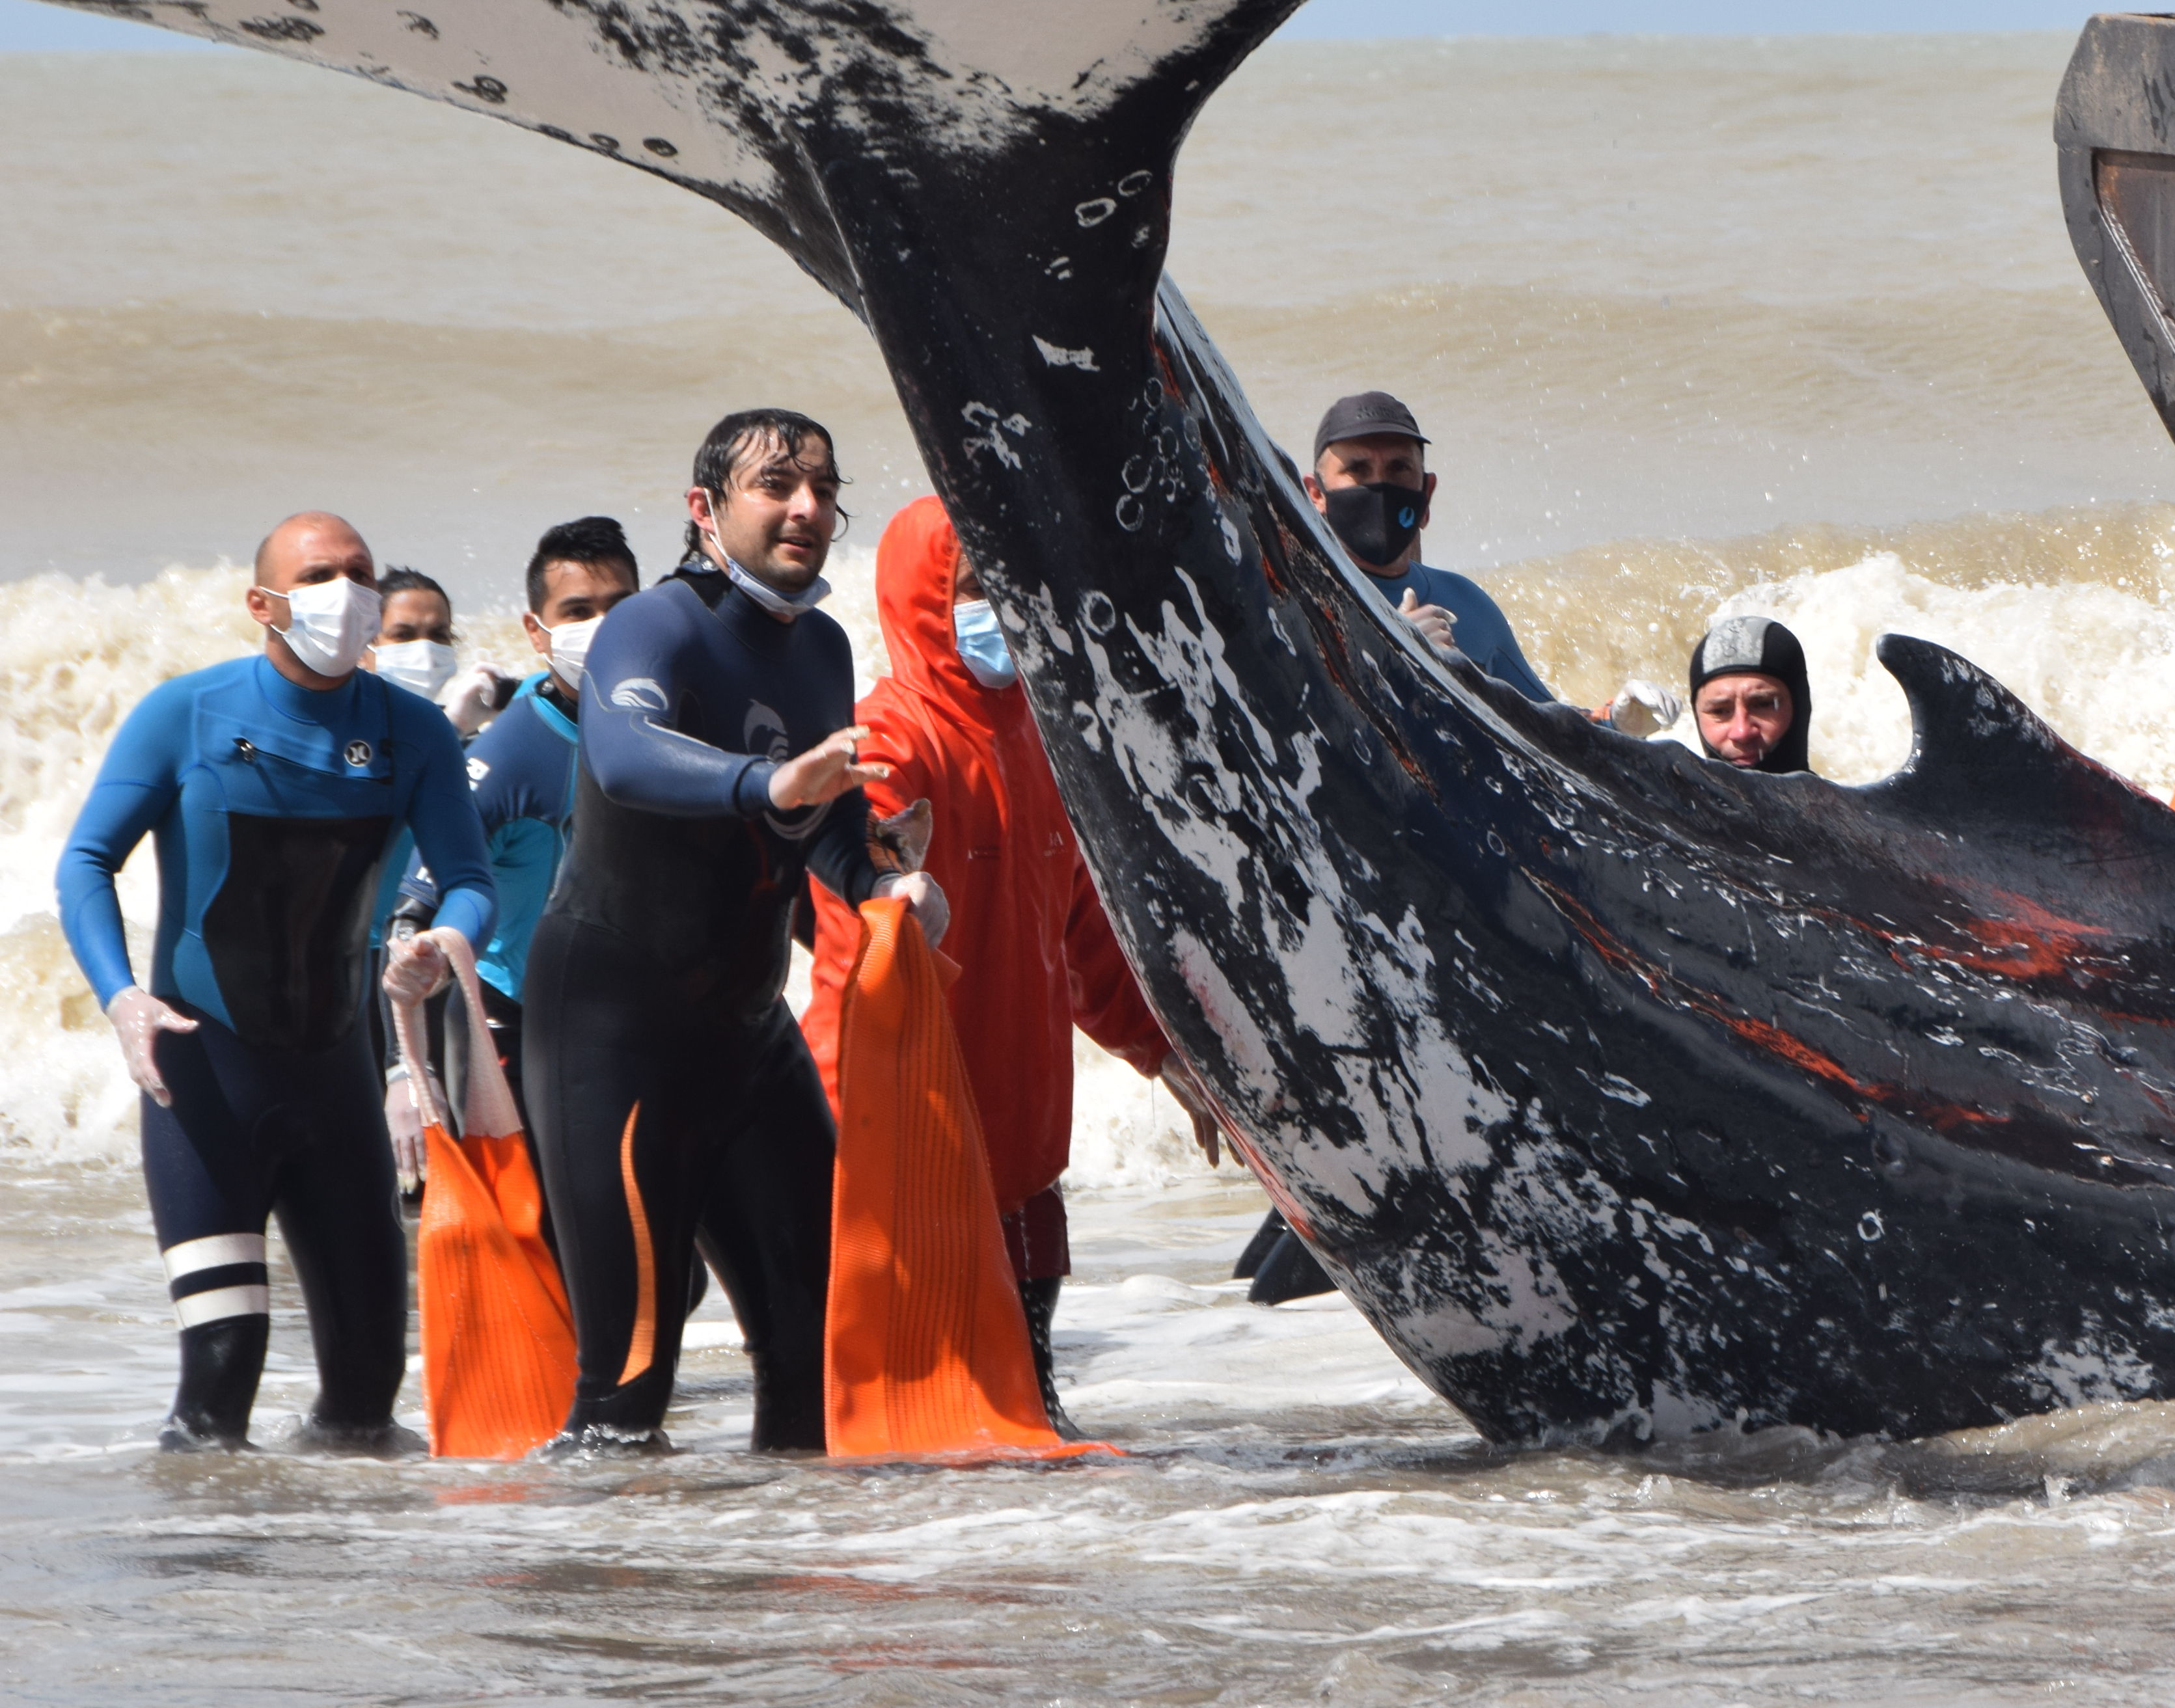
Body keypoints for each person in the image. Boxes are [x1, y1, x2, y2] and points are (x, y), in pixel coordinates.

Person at [519, 409, 944, 1453]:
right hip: (613, 1034)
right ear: (706, 509)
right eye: (776, 485)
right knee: (628, 1382)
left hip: (747, 1035)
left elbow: (825, 821)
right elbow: (622, 756)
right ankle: (586, 1606)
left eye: (824, 489)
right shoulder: (654, 626)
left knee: (814, 1345)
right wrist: (770, 781)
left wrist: (885, 876)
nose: (807, 508)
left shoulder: (824, 646)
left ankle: (760, 1596)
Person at [53, 511, 496, 1451]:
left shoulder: (414, 733)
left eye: (361, 573)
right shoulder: (189, 715)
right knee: (219, 1382)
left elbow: (468, 881)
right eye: (321, 574)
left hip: (333, 1083)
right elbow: (87, 862)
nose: (349, 593)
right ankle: (201, 1587)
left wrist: (438, 946)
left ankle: (328, 1587)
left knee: (371, 1396)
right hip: (205, 1084)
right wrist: (122, 998)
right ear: (263, 603)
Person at [806, 495, 1213, 1431]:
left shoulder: (1041, 735)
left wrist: (1162, 1056)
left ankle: (1018, 1561)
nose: (1005, 605)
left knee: (1030, 1406)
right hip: (915, 1130)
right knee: (916, 1411)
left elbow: (1077, 933)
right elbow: (851, 930)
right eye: (978, 586)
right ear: (920, 596)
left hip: (1025, 1134)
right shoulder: (888, 740)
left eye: (1011, 583)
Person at [378, 517, 641, 1171]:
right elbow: (417, 906)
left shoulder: (663, 717)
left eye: (620, 608)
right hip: (513, 1027)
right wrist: (404, 1068)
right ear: (538, 629)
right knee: (538, 1249)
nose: (602, 627)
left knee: (670, 1263)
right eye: (578, 611)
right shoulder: (508, 756)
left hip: (630, 1018)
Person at [1298, 390, 1557, 704]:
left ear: (1427, 493)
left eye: (1398, 469)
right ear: (1316, 495)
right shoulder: (1296, 600)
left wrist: (1614, 718)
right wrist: (1393, 655)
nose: (1381, 487)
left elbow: (1546, 725)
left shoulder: (1468, 603)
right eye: (1358, 470)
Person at [369, 565, 505, 736]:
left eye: (438, 635)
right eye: (404, 635)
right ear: (361, 647)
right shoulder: (338, 726)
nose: (425, 650)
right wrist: (454, 728)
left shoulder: (469, 727)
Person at [1688, 615, 1813, 772]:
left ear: (1800, 706)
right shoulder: (1668, 796)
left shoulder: (1844, 798)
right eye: (1719, 711)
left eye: (1763, 704)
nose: (1742, 733)